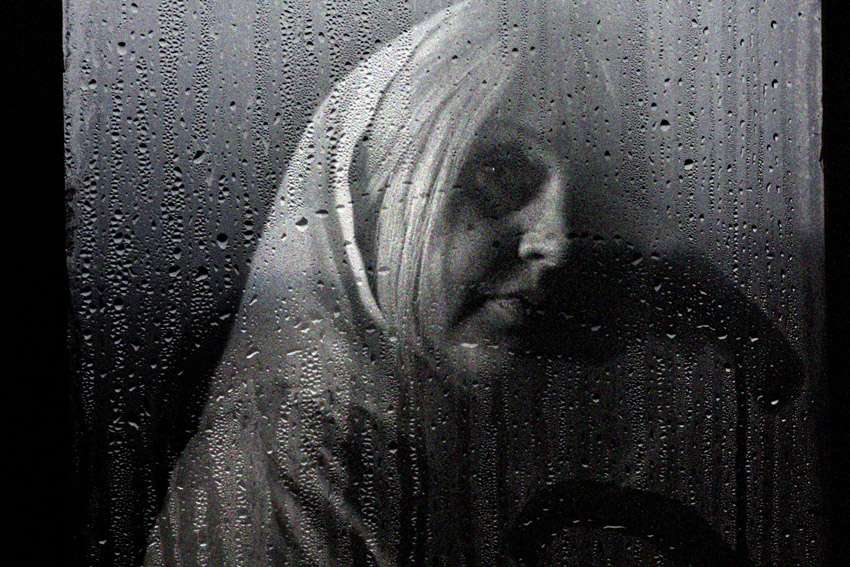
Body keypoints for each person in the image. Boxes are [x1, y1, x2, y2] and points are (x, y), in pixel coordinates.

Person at [145, 1, 804, 565]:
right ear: (371, 191)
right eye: (499, 172)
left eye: (578, 196)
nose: (556, 242)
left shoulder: (402, 418)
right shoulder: (292, 466)